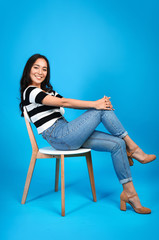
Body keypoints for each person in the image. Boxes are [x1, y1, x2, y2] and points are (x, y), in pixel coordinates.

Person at [19, 54, 156, 214]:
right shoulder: (30, 92)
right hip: (59, 136)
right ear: (28, 69)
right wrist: (97, 104)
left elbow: (70, 103)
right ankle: (133, 148)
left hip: (68, 132)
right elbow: (65, 103)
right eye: (36, 67)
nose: (40, 72)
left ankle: (129, 194)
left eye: (44, 69)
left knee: (117, 144)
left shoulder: (49, 92)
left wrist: (99, 104)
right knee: (101, 110)